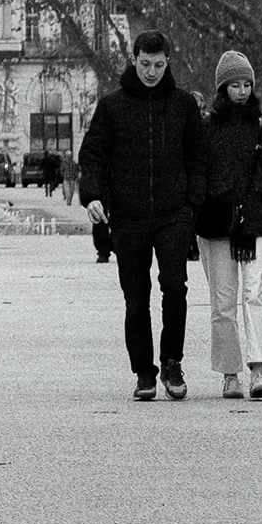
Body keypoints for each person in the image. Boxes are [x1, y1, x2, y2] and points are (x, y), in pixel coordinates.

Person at [79, 30, 206, 401]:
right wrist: (93, 196)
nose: (151, 72)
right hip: (128, 216)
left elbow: (197, 158)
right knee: (136, 297)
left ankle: (172, 362)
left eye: (159, 65)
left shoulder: (183, 105)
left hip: (173, 214)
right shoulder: (112, 106)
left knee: (175, 288)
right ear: (133, 60)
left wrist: (192, 203)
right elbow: (93, 155)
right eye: (145, 64)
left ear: (168, 63)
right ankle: (144, 372)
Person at [195, 50, 262, 400]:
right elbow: (197, 178)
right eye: (235, 84)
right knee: (222, 302)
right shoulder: (206, 129)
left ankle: (258, 369)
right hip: (217, 223)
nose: (242, 91)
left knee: (255, 295)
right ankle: (229, 373)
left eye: (246, 84)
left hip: (258, 221)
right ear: (223, 88)